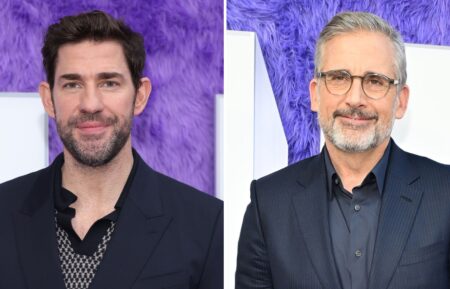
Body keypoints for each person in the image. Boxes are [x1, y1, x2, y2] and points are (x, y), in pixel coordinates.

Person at [0, 10, 223, 289]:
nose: (91, 104)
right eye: (72, 84)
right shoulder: (3, 211)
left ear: (139, 96)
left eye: (109, 83)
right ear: (48, 99)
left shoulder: (207, 224)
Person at [235, 11, 450, 289]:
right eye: (339, 77)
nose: (355, 98)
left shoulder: (444, 194)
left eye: (375, 81)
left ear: (400, 101)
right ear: (315, 94)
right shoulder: (268, 205)